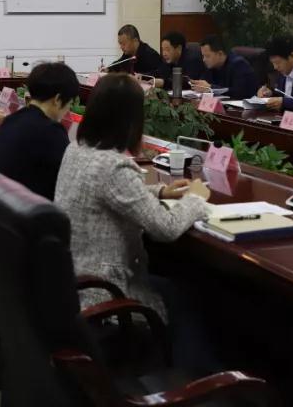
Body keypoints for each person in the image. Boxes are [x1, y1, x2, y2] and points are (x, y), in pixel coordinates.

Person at [55, 73, 213, 370]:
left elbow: (110, 194)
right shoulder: (114, 166)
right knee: (187, 297)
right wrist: (195, 199)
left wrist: (160, 191)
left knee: (175, 290)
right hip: (106, 292)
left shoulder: (76, 149)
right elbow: (165, 228)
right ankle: (191, 383)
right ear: (130, 120)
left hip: (74, 279)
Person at [0, 62, 79, 200]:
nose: (67, 110)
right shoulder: (51, 132)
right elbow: (70, 177)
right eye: (69, 104)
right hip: (30, 208)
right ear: (57, 99)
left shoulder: (10, 120)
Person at [190, 34, 258, 99]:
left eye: (207, 56)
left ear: (220, 54)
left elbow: (240, 92)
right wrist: (198, 85)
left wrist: (210, 87)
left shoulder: (239, 65)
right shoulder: (211, 66)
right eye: (203, 56)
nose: (204, 60)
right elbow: (205, 83)